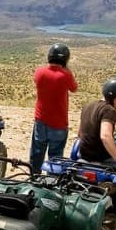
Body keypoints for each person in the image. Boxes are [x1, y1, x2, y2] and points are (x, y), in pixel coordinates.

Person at [30, 43, 78, 172]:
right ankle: (51, 183)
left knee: (37, 153)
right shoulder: (65, 75)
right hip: (58, 123)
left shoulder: (39, 72)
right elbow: (74, 88)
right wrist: (67, 69)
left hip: (41, 120)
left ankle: (34, 178)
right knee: (55, 157)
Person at [77, 77, 116, 171]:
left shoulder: (88, 106)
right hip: (100, 156)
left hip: (83, 154)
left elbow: (80, 133)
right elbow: (105, 136)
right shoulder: (109, 110)